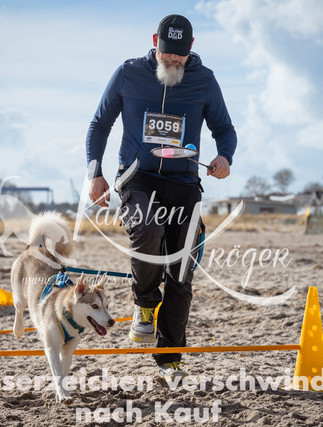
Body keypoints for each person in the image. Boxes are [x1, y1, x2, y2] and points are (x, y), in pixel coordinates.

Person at [86, 14, 237, 383]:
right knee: (148, 227)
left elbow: (224, 129)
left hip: (184, 183)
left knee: (181, 274)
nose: (172, 60)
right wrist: (95, 172)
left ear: (191, 48)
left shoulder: (204, 80)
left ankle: (169, 359)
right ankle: (145, 304)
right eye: (167, 52)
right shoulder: (128, 73)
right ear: (155, 42)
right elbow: (99, 124)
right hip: (137, 179)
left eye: (179, 55)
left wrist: (224, 157)